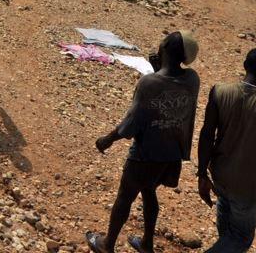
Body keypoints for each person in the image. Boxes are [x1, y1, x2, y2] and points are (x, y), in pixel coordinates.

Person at [86, 31, 202, 253]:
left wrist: (108, 139)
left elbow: (133, 121)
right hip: (171, 154)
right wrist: (159, 69)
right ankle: (147, 244)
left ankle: (107, 244)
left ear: (164, 48)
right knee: (149, 192)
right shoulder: (192, 79)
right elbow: (169, 88)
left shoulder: (149, 82)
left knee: (125, 198)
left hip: (145, 154)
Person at [196, 49, 256, 253]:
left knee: (227, 234)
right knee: (240, 238)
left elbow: (206, 134)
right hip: (249, 186)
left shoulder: (220, 91)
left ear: (245, 66)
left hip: (220, 176)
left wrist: (202, 173)